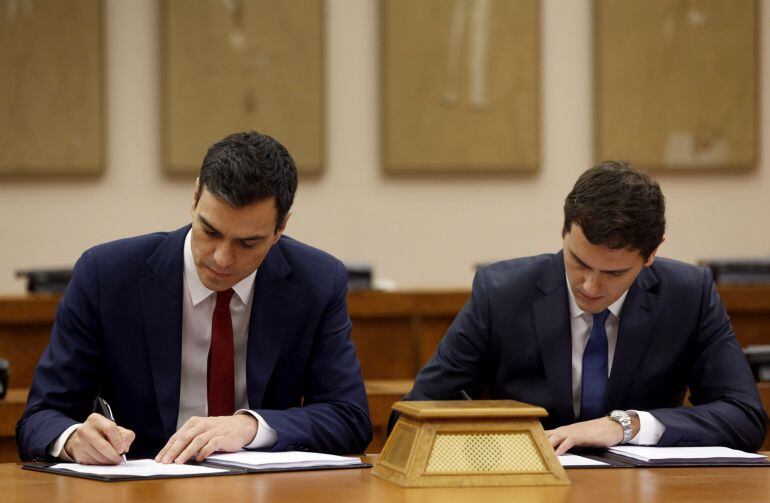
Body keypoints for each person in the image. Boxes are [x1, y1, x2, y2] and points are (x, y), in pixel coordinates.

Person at [17, 131, 372, 464]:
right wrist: (73, 438)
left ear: (281, 228)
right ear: (195, 197)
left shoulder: (317, 281)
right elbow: (40, 417)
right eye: (210, 230)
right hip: (143, 490)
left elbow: (350, 418)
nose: (221, 258)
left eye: (248, 243)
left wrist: (251, 426)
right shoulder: (107, 276)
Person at [395, 161, 767, 454]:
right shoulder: (502, 292)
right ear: (564, 233)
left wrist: (627, 426)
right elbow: (412, 417)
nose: (590, 286)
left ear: (652, 254)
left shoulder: (688, 295)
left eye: (614, 272)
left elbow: (744, 417)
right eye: (578, 262)